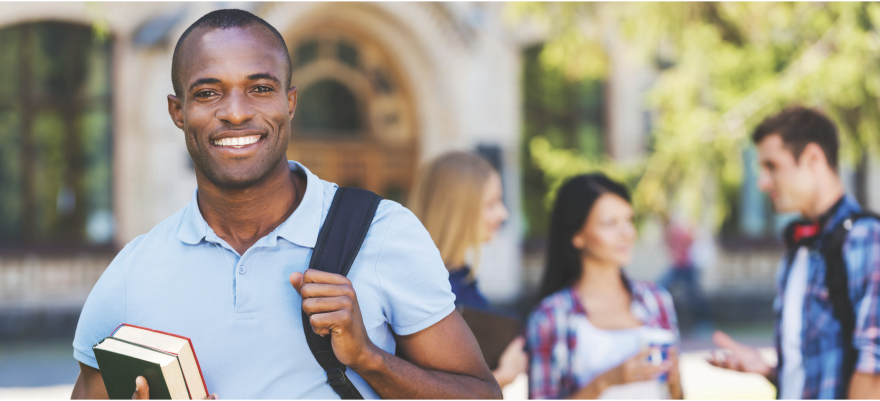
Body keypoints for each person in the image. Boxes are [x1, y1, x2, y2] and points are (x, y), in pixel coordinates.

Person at [69, 9, 502, 400]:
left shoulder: (384, 232)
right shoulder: (132, 273)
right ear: (177, 111)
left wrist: (369, 358)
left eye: (259, 88)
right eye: (207, 93)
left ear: (289, 102)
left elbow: (483, 395)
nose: (236, 113)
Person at [708, 107, 880, 400]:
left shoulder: (866, 238)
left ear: (813, 158)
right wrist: (772, 371)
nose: (763, 182)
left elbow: (873, 373)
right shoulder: (799, 247)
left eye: (772, 166)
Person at [526, 174, 683, 400]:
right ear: (578, 235)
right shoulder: (550, 317)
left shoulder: (657, 300)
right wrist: (607, 382)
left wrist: (674, 384)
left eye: (629, 220)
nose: (626, 233)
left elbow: (676, 395)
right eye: (610, 223)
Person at [408, 151, 527, 388]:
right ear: (457, 209)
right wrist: (503, 376)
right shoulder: (432, 292)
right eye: (491, 203)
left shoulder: (460, 278)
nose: (503, 214)